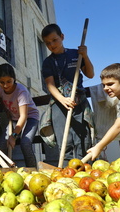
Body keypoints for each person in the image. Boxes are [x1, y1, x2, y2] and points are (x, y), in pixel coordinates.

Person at [41, 24, 94, 167]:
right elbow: (50, 84)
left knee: (82, 139)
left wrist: (85, 56)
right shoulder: (48, 62)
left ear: (62, 37)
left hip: (79, 103)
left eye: (55, 40)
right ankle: (66, 171)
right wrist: (63, 99)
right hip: (59, 104)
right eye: (48, 43)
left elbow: (90, 74)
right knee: (65, 141)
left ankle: (84, 171)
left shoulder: (75, 55)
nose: (52, 45)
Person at [0, 63, 39, 168]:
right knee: (2, 145)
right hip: (14, 119)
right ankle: (3, 171)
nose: (5, 85)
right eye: (2, 82)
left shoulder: (21, 91)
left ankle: (32, 170)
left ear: (14, 79)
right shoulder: (0, 91)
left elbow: (23, 116)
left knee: (25, 143)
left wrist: (14, 136)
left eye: (8, 82)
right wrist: (6, 110)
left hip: (30, 118)